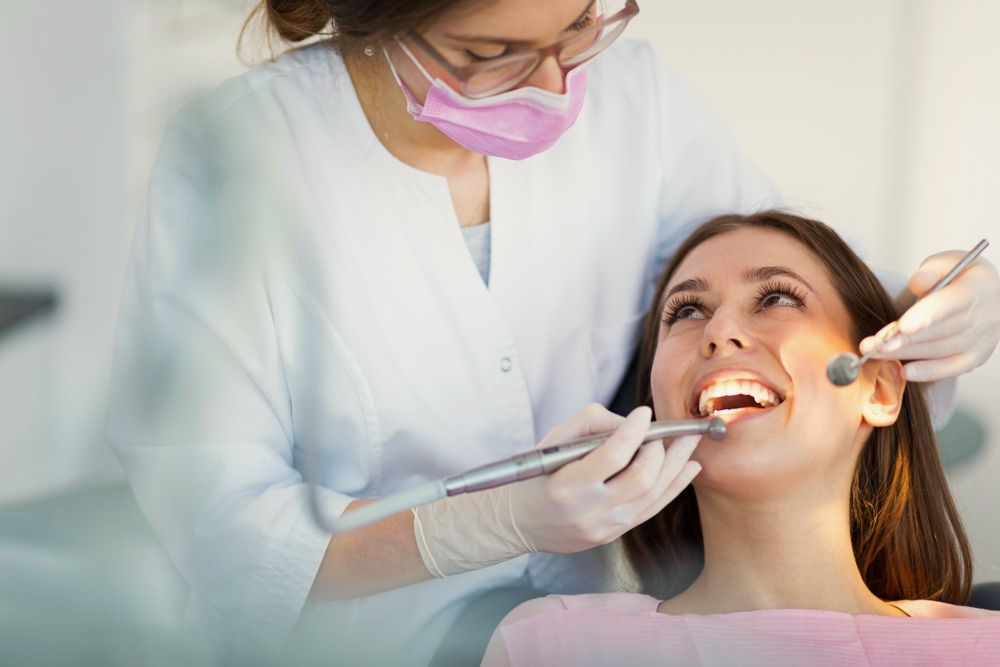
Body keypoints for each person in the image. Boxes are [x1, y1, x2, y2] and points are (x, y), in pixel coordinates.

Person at [105, 1, 1000, 665]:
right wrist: (478, 526)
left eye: (579, 26)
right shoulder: (242, 158)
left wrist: (927, 304)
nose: (555, 83)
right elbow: (225, 531)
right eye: (491, 52)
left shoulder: (637, 105)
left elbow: (780, 270)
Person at [482, 211, 1000, 667]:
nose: (719, 330)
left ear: (879, 388)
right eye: (686, 311)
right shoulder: (550, 646)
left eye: (776, 298)